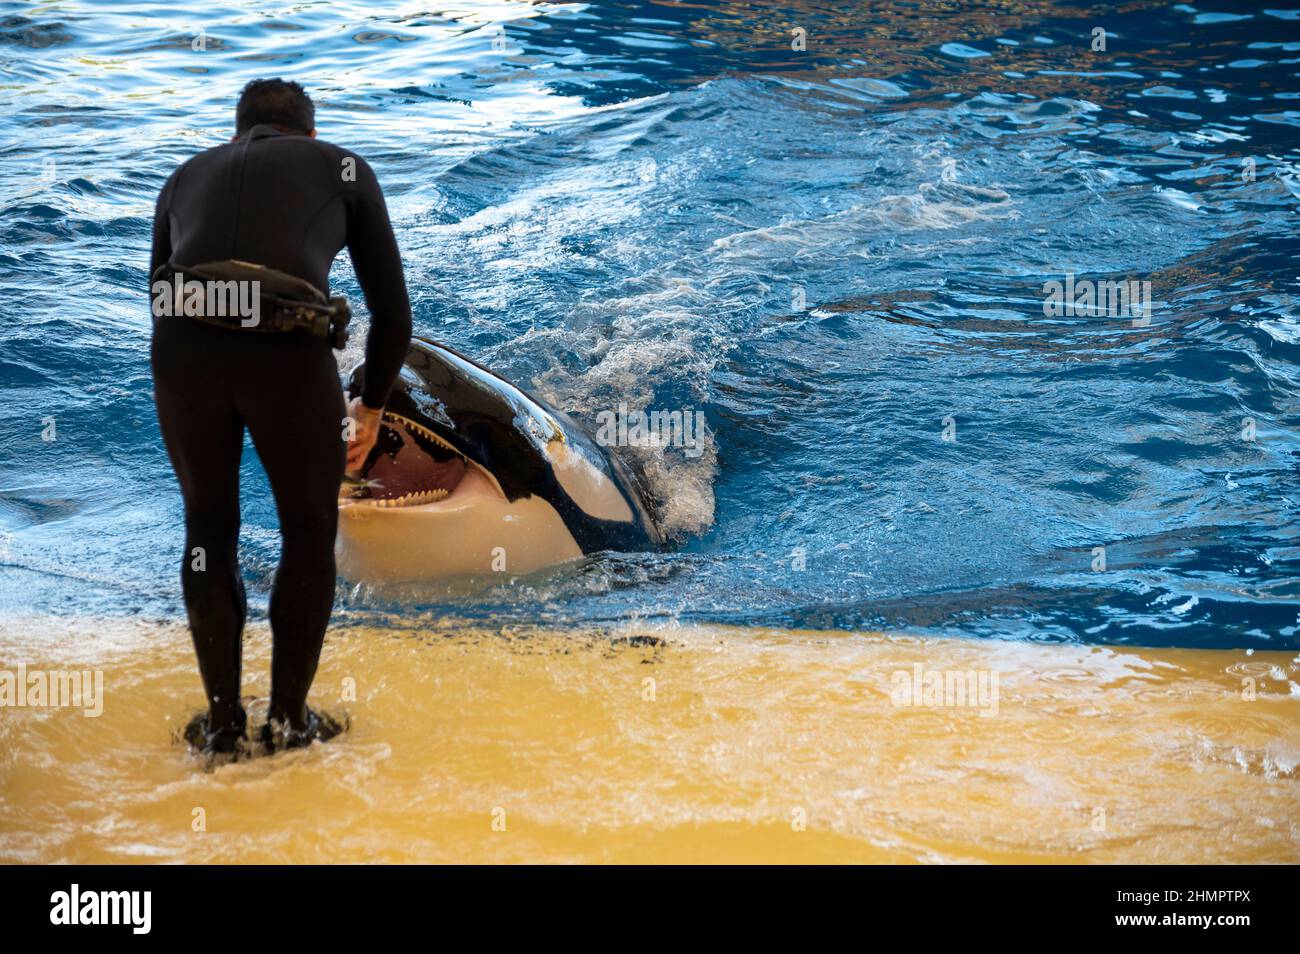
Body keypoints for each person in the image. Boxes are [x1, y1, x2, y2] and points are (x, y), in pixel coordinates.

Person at [149, 78, 411, 756]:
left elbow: (157, 291)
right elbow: (394, 315)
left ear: (236, 134)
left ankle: (222, 726)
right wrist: (373, 406)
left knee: (208, 525)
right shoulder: (342, 168)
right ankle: (290, 723)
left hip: (183, 353)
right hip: (285, 352)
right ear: (311, 134)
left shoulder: (184, 176)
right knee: (307, 526)